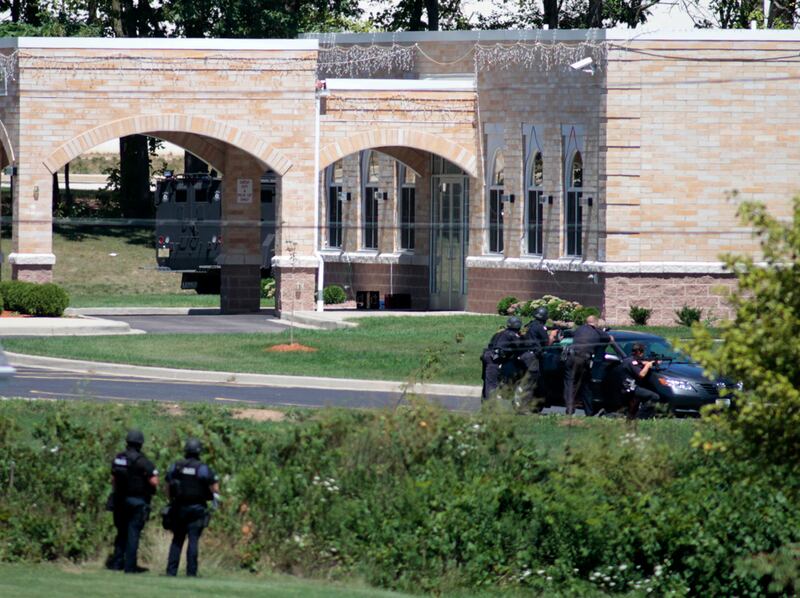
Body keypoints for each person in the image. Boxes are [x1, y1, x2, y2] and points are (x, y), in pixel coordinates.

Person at [165, 438, 220, 577]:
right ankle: (191, 573)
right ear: (199, 452)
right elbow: (215, 488)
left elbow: (167, 484)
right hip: (196, 509)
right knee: (193, 540)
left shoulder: (176, 466)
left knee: (177, 539)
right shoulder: (202, 468)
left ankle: (171, 572)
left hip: (179, 508)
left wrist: (170, 500)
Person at [108, 429, 159, 573]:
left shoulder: (118, 458)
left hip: (119, 500)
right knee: (133, 533)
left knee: (121, 532)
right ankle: (130, 567)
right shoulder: (143, 461)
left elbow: (113, 479)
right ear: (140, 444)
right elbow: (154, 481)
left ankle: (117, 563)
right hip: (137, 501)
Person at [562, 315, 614, 416]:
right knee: (585, 386)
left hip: (571, 357)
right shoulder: (598, 332)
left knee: (570, 384)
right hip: (583, 361)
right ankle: (588, 411)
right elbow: (610, 339)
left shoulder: (579, 329)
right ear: (596, 323)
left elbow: (570, 334)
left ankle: (570, 410)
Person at [517, 307, 558, 410]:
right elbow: (547, 343)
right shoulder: (540, 327)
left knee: (526, 381)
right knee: (531, 382)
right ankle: (524, 407)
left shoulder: (529, 325)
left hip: (524, 355)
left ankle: (523, 404)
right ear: (544, 318)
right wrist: (552, 335)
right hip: (532, 357)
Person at [481, 316, 524, 400]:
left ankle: (485, 403)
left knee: (487, 381)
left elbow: (491, 344)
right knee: (492, 383)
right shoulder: (512, 334)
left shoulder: (500, 333)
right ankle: (490, 407)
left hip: (487, 356)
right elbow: (520, 345)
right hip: (494, 358)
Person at [621, 343, 661, 418]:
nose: (643, 354)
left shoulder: (633, 360)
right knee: (654, 397)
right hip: (630, 387)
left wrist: (652, 362)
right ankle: (640, 416)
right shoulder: (631, 362)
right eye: (643, 352)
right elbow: (641, 374)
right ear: (639, 352)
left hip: (634, 386)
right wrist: (647, 365)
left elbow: (640, 363)